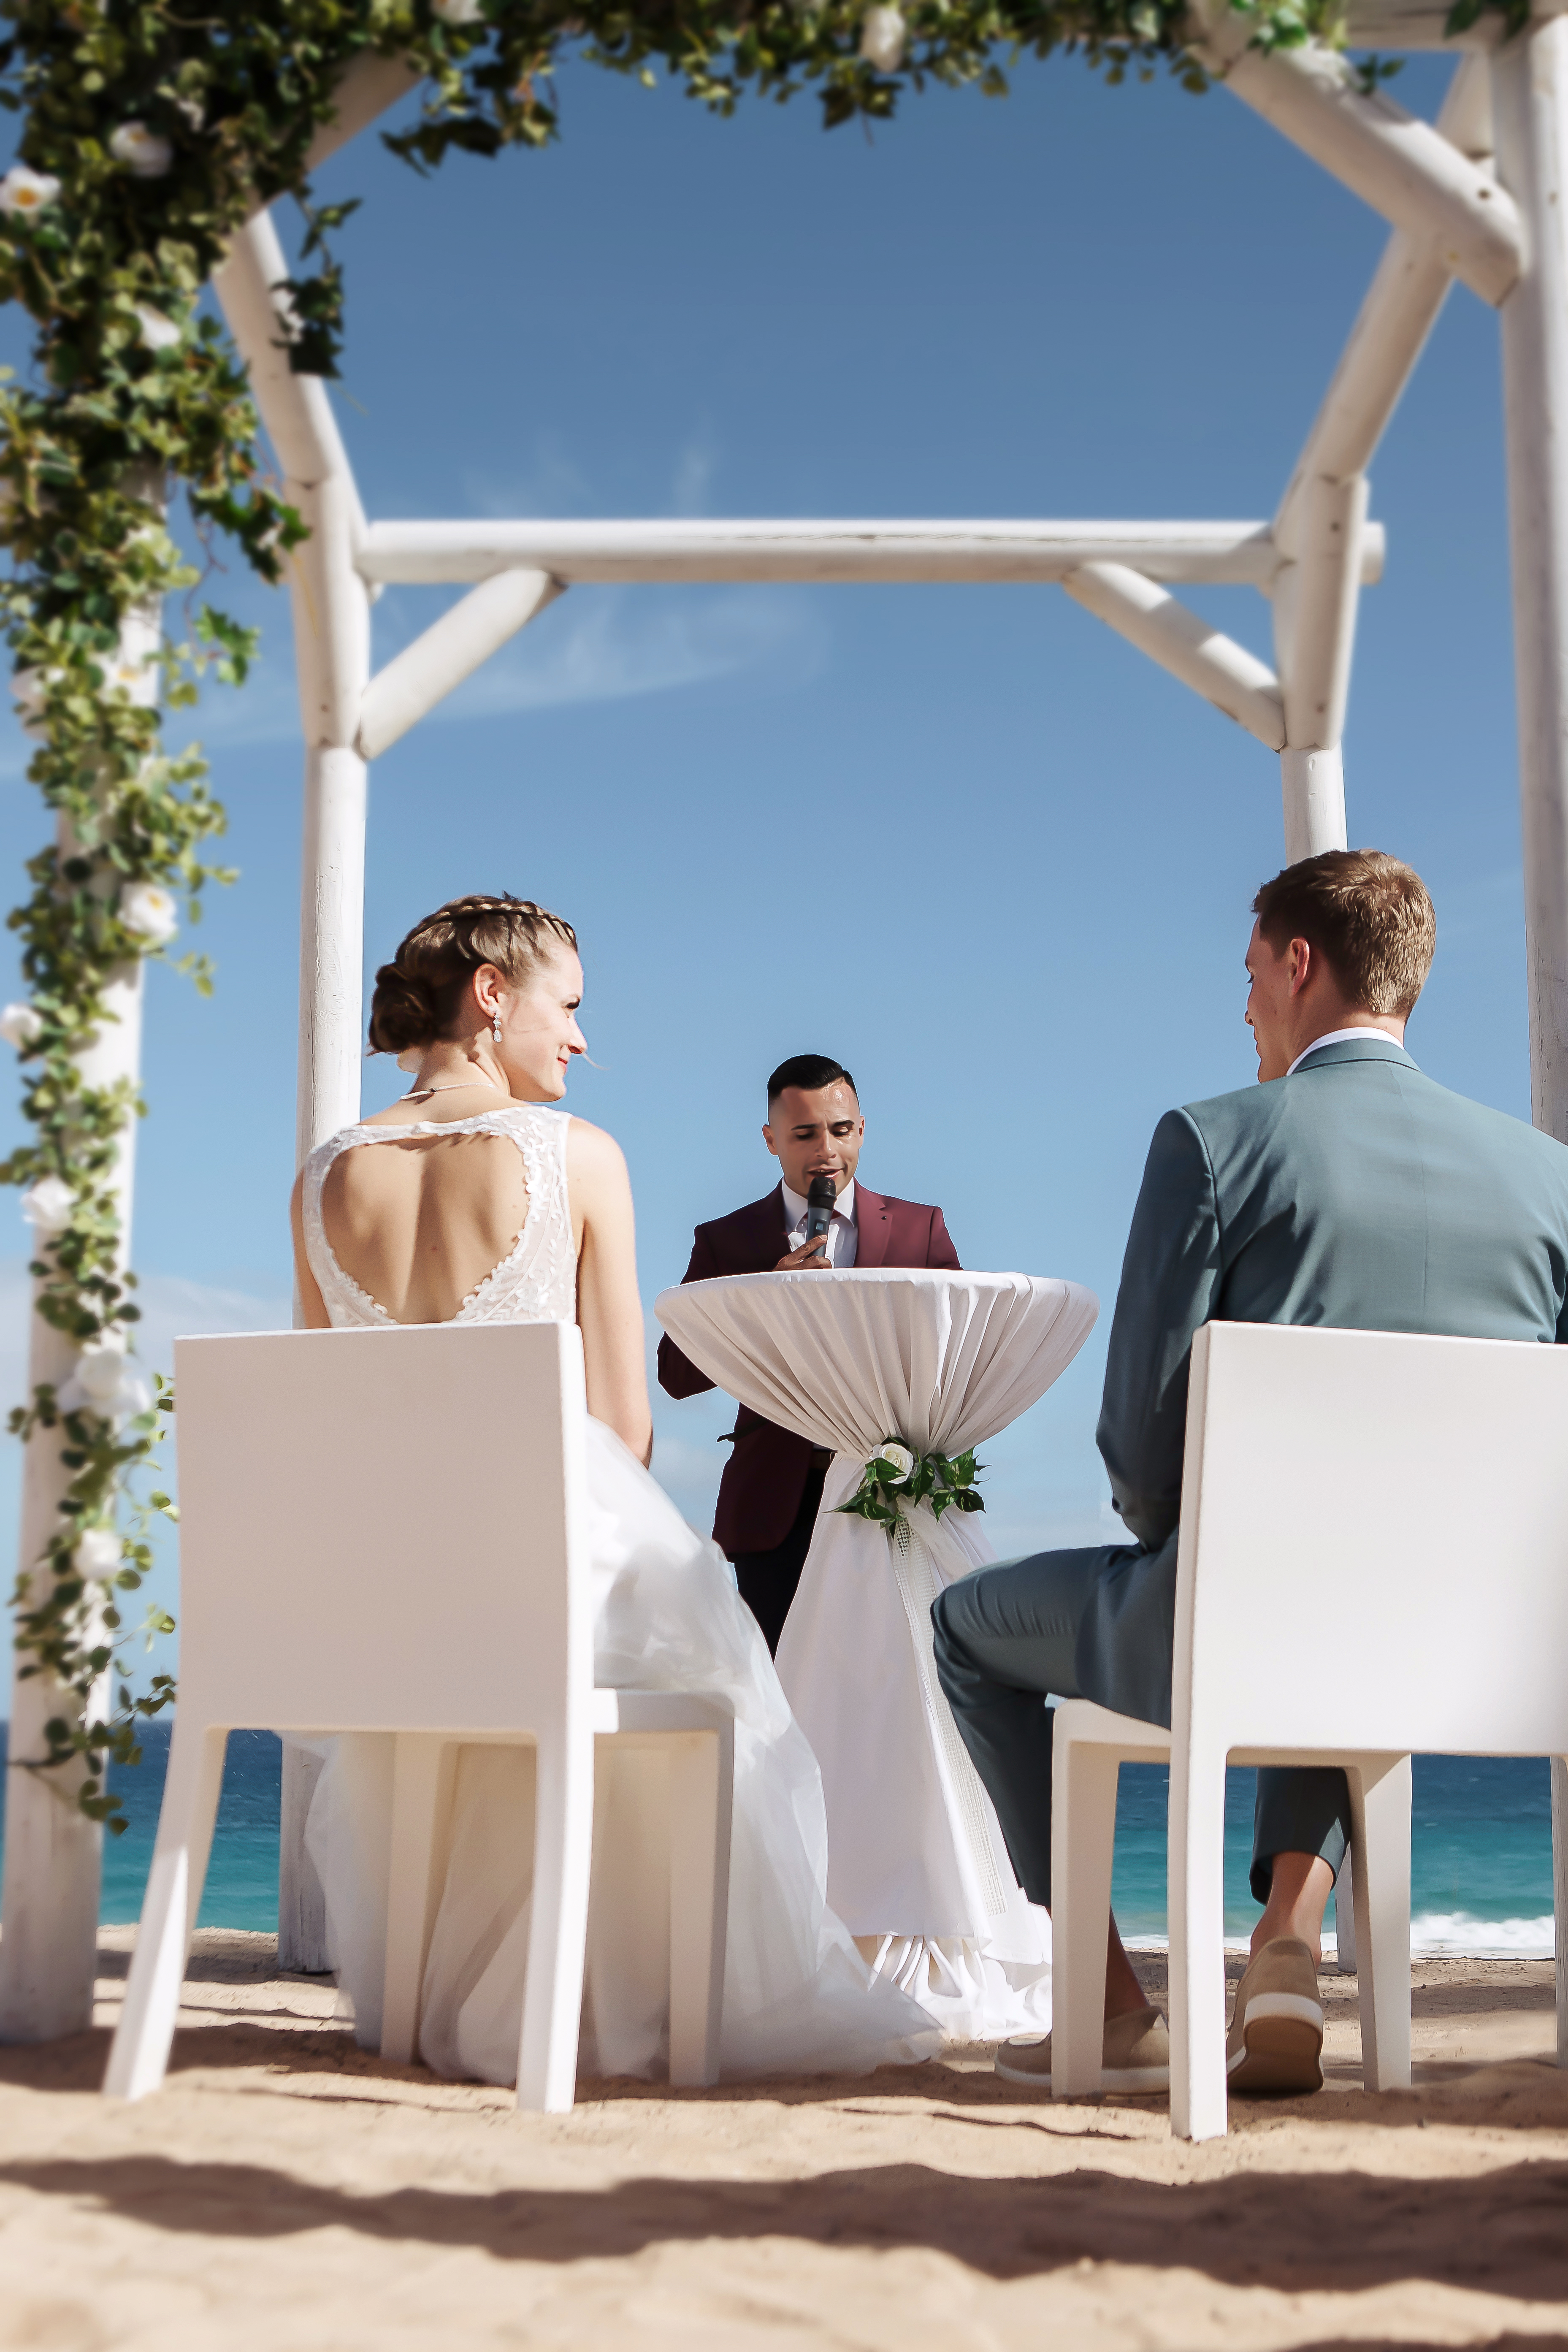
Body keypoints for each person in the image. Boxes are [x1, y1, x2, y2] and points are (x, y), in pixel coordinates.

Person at [933, 848, 1568, 2098]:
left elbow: (1136, 1436)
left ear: (1296, 963)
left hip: (1245, 1612)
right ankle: (1287, 1927)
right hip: (1463, 1629)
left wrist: (1172, 1535)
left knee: (963, 1625)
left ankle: (1112, 2007)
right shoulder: (1546, 1178)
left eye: (1247, 977)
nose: (1243, 1010)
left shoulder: (1217, 1137)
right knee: (1338, 1593)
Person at [290, 894, 935, 2086]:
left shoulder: (324, 1173)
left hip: (402, 1613)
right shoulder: (576, 1154)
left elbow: (326, 1425)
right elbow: (625, 1427)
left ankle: (445, 1985)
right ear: (492, 996)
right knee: (712, 1673)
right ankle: (622, 1988)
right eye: (568, 1005)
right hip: (546, 1584)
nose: (580, 1040)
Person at [658, 1053, 961, 1653]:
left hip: (894, 1500)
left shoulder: (920, 1229)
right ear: (772, 1140)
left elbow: (958, 1353)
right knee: (782, 1705)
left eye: (842, 1130)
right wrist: (762, 1304)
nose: (827, 1149)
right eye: (805, 1133)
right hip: (776, 1513)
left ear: (863, 1129)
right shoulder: (727, 1240)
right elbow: (676, 1374)